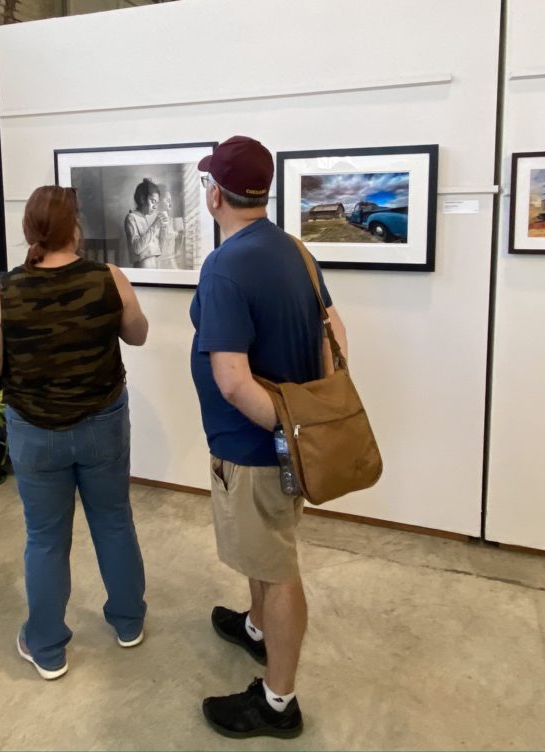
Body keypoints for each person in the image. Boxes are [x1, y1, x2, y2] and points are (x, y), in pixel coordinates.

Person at [190, 136, 349, 739]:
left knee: (278, 567)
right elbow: (336, 334)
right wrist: (311, 415)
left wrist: (291, 430)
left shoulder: (225, 266)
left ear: (216, 195)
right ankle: (256, 628)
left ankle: (279, 703)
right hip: (279, 445)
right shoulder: (293, 249)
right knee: (265, 550)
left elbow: (233, 381)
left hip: (254, 450)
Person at [0, 185, 150, 680]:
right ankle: (128, 622)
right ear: (75, 228)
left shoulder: (1, 290)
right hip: (103, 424)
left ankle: (47, 647)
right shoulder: (108, 277)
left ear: (30, 230)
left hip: (35, 432)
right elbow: (138, 334)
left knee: (46, 539)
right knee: (114, 521)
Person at [123, 177, 167, 268]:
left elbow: (158, 250)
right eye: (153, 201)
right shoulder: (131, 218)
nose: (155, 206)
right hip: (142, 272)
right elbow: (136, 249)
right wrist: (155, 225)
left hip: (154, 271)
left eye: (156, 203)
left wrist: (163, 228)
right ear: (142, 199)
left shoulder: (145, 219)